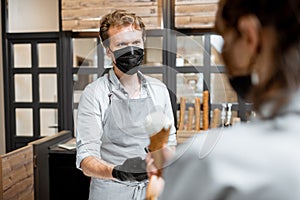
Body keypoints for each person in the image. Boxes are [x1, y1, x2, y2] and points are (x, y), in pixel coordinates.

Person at [146, 0, 300, 199]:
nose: (222, 55)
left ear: (249, 36)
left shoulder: (214, 164)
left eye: (225, 40)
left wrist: (177, 180)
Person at [75, 9, 177, 200]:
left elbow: (169, 141)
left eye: (136, 42)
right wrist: (118, 172)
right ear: (108, 51)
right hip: (111, 192)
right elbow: (86, 159)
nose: (131, 50)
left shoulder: (159, 90)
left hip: (152, 191)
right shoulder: (95, 93)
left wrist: (160, 159)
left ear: (143, 43)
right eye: (121, 44)